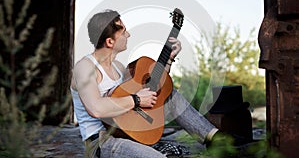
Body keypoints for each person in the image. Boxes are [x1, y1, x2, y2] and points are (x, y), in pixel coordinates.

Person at [70, 9, 221, 158]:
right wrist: (136, 99)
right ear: (110, 42)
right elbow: (96, 109)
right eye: (124, 32)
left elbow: (152, 87)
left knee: (169, 95)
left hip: (128, 129)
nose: (128, 35)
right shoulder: (85, 67)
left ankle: (213, 137)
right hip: (102, 142)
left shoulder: (119, 67)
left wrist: (169, 58)